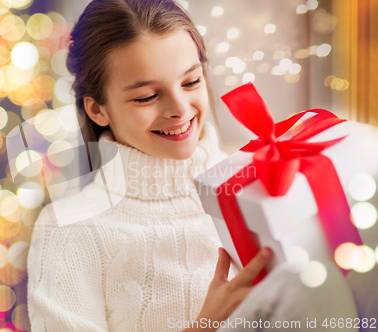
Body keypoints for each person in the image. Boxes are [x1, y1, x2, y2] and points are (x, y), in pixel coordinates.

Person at [26, 0, 356, 331]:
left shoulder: (259, 178)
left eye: (190, 82)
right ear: (98, 110)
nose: (180, 109)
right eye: (146, 97)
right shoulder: (68, 230)